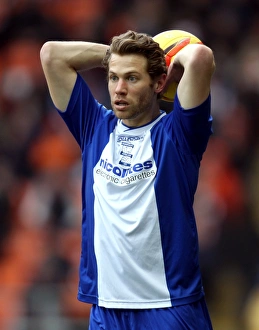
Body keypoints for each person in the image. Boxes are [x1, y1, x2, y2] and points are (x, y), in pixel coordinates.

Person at [40, 29, 215, 329]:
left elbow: (200, 58)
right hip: (107, 309)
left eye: (132, 78)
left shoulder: (179, 136)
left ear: (160, 82)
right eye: (112, 77)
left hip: (169, 307)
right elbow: (51, 55)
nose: (119, 89)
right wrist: (115, 56)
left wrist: (164, 58)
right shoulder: (94, 127)